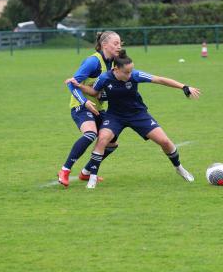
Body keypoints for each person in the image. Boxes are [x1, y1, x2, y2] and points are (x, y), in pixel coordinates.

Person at [68, 49, 200, 189]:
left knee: (165, 141)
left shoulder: (135, 75)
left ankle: (179, 168)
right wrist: (79, 86)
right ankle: (92, 177)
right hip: (115, 116)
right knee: (102, 140)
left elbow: (160, 79)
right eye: (126, 72)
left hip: (138, 115)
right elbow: (94, 92)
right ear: (116, 69)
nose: (130, 75)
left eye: (131, 71)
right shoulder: (105, 78)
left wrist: (184, 87)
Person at [57, 31, 121, 187]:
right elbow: (72, 84)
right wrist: (85, 102)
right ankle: (65, 170)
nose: (119, 47)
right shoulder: (93, 62)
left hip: (97, 108)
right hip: (80, 105)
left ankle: (86, 172)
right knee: (91, 134)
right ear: (104, 44)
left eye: (120, 43)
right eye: (115, 43)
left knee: (112, 141)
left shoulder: (114, 63)